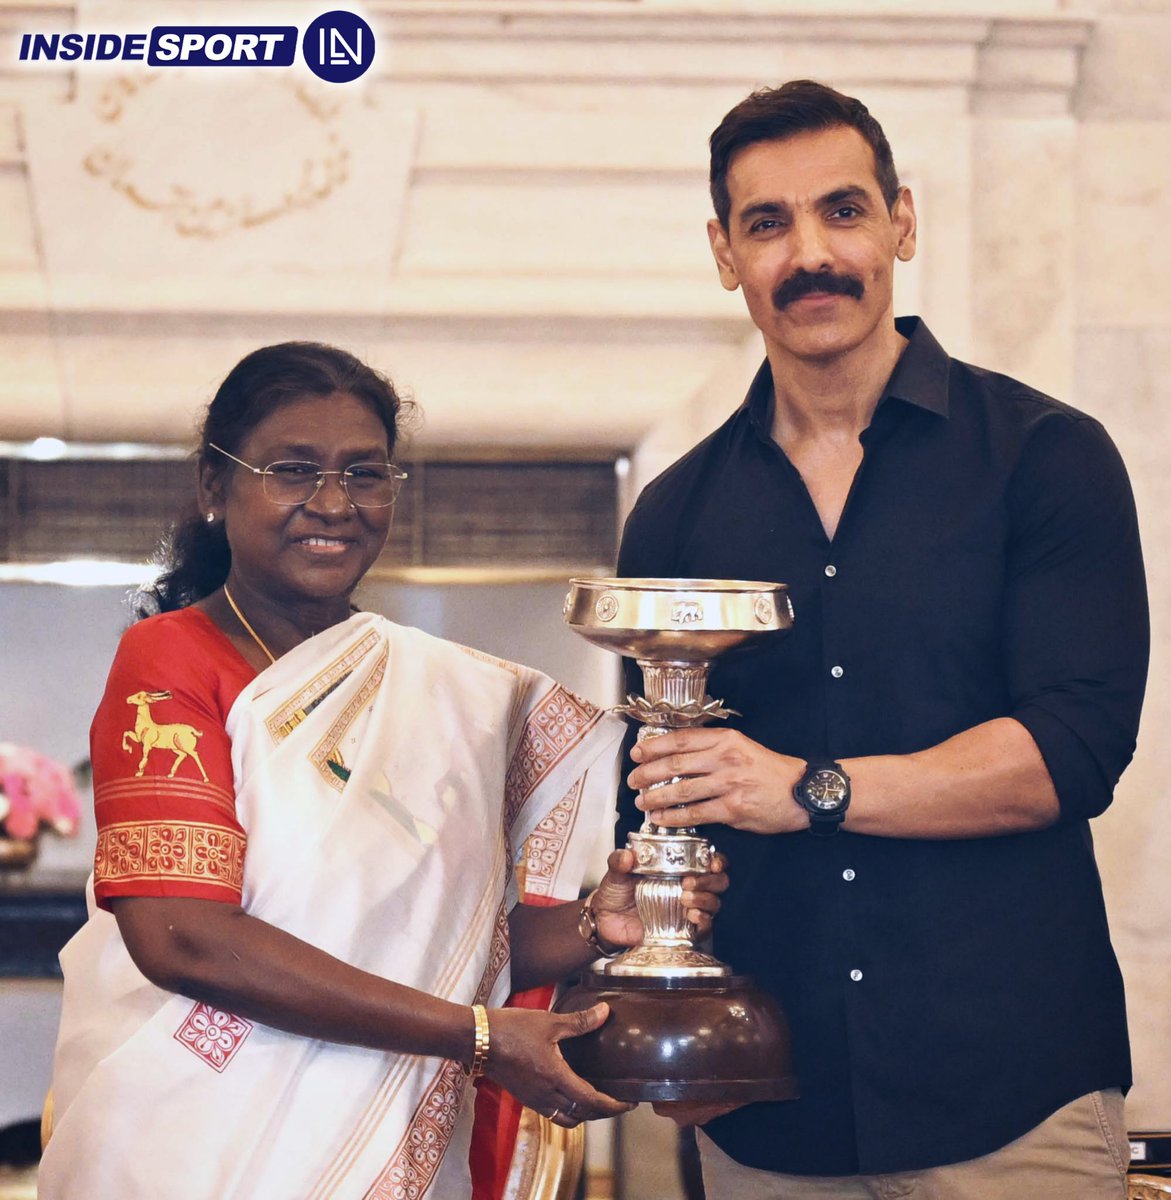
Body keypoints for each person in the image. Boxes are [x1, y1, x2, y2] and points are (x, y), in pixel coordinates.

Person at [616, 81, 1148, 1199]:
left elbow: (1072, 751)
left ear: (901, 221)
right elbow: (663, 801)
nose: (810, 253)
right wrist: (638, 902)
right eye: (768, 224)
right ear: (724, 253)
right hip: (766, 1111)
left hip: (1011, 1097)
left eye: (842, 212)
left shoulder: (1047, 457)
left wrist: (804, 788)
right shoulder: (674, 516)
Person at [38, 341, 728, 1200]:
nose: (332, 503)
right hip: (197, 1137)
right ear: (216, 489)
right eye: (292, 470)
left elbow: (449, 946)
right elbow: (181, 936)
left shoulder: (441, 692)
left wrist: (595, 922)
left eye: (365, 474)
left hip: (389, 1126)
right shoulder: (172, 660)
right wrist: (478, 1039)